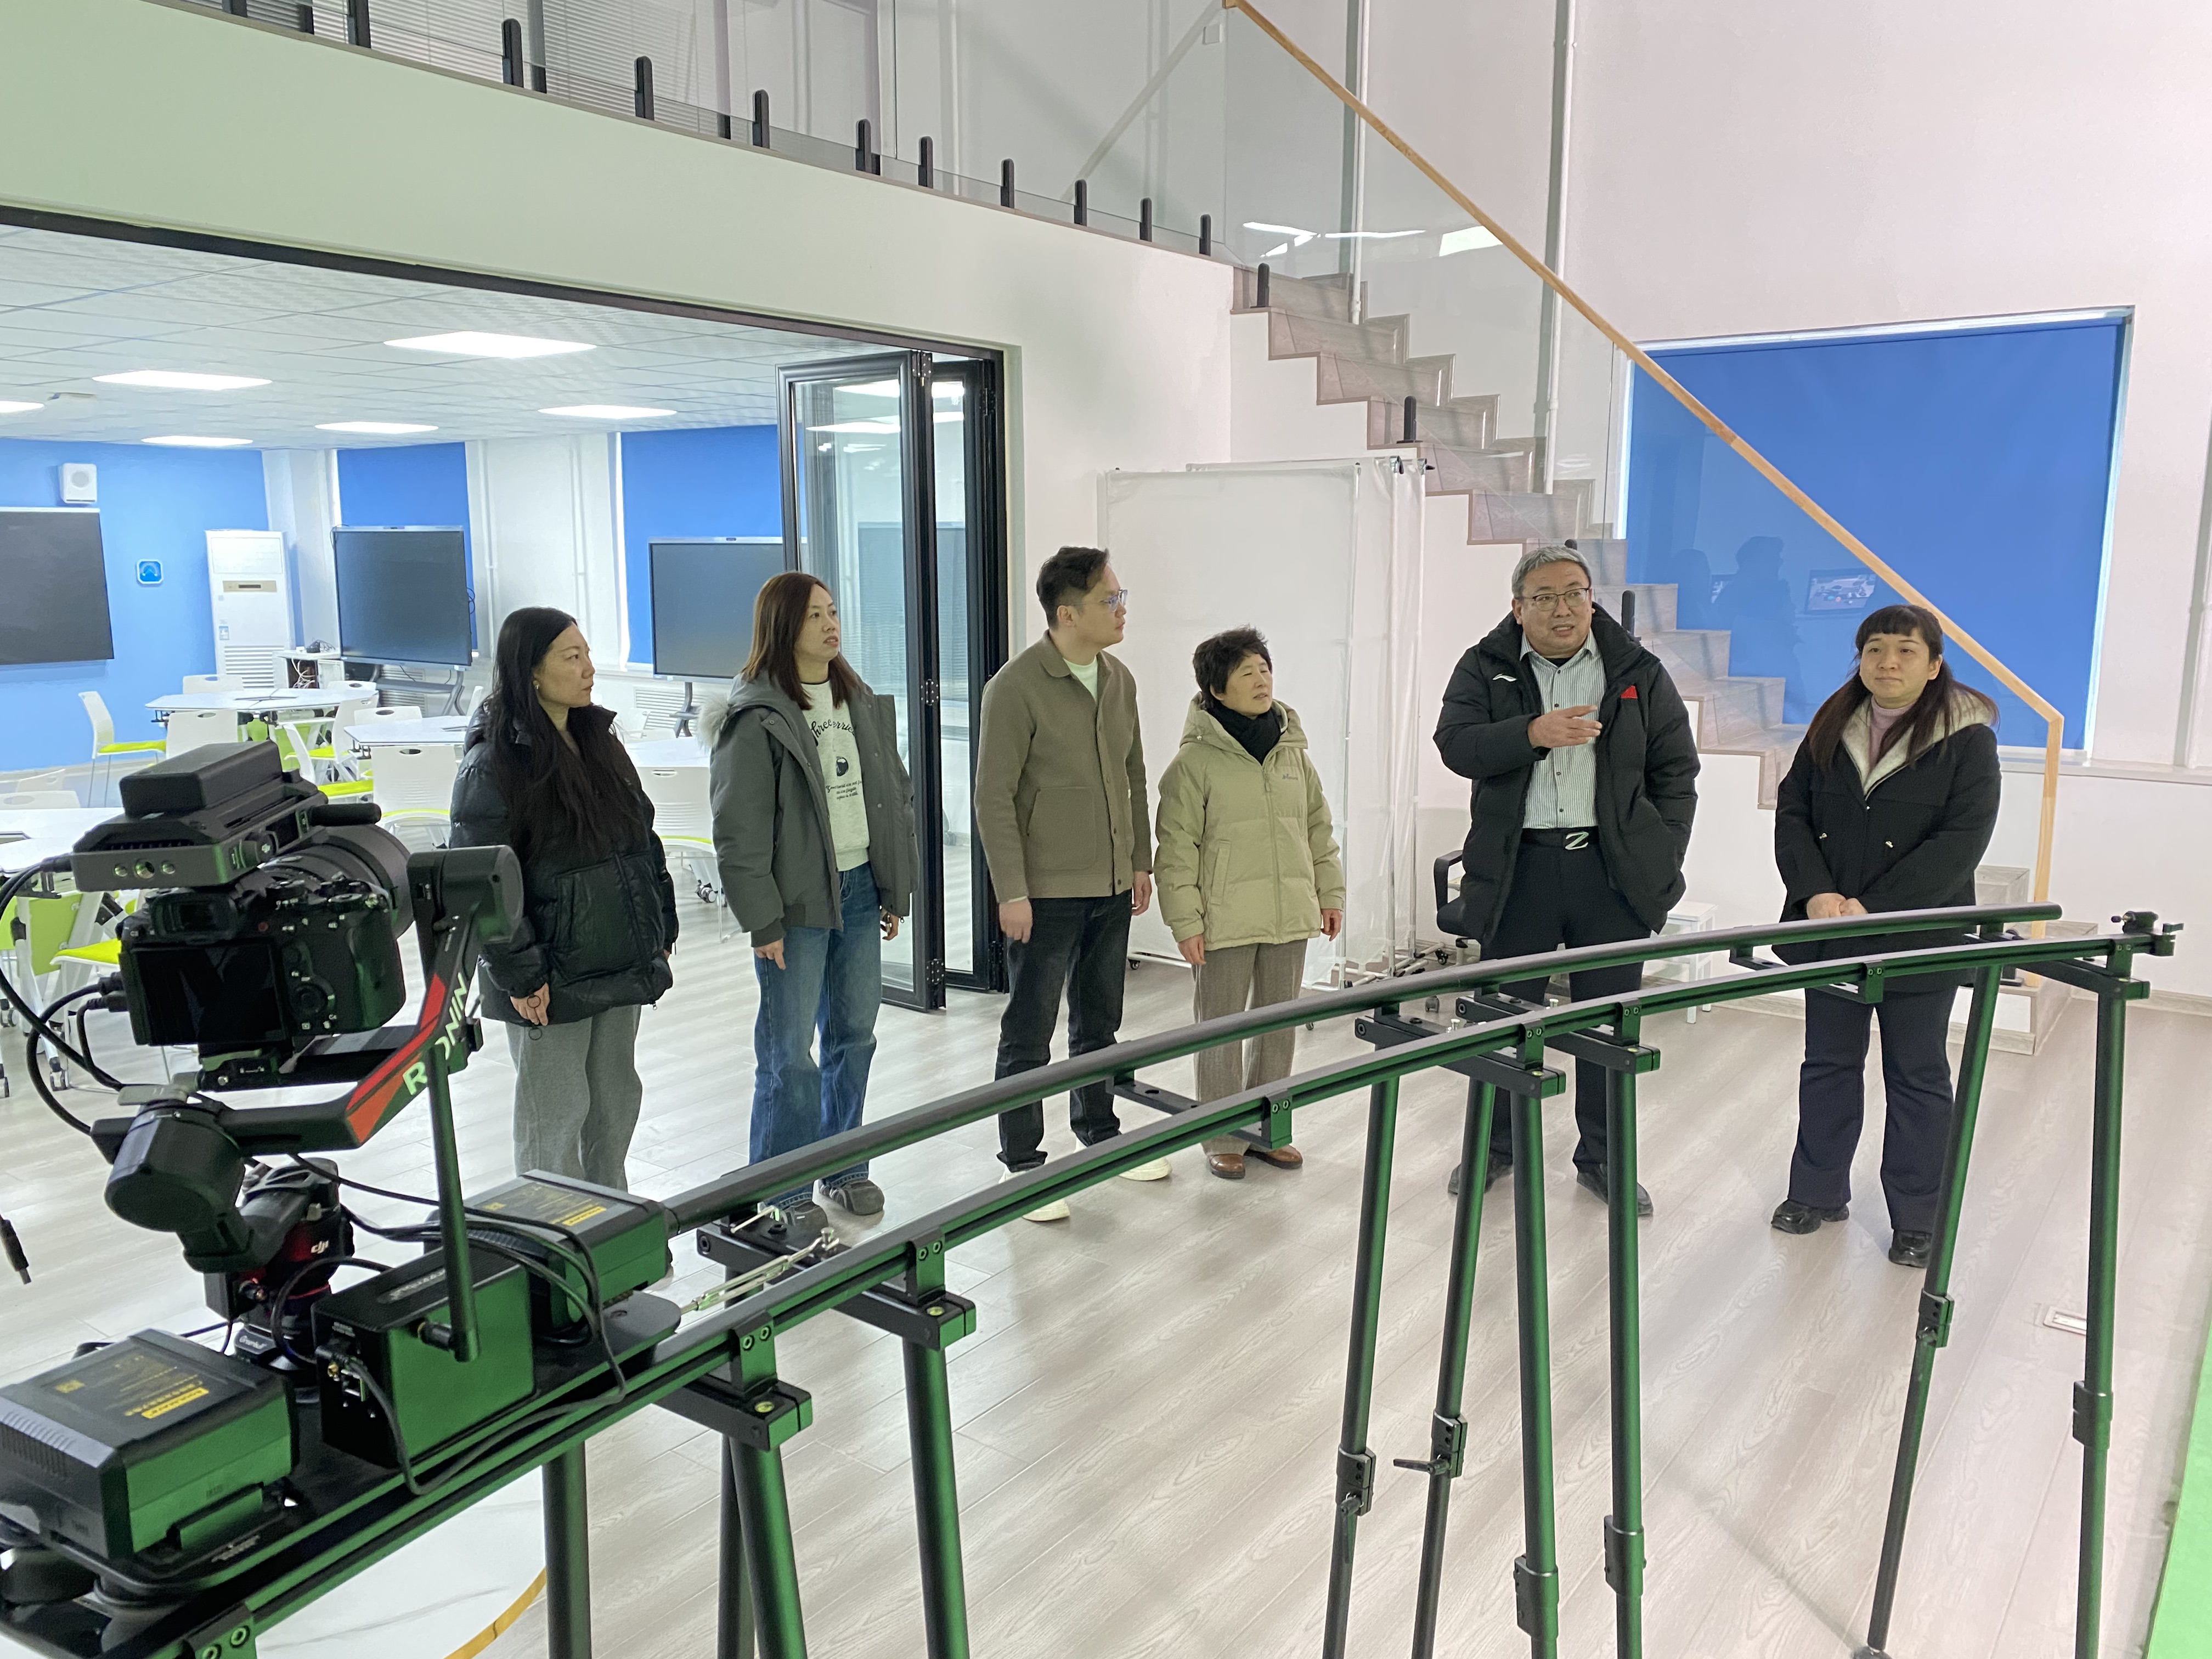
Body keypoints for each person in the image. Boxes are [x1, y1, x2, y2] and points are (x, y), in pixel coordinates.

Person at [1434, 543, 1700, 1216]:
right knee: (1502, 1021)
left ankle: (1605, 1159)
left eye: (1574, 592)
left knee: (1608, 1026)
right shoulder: (1486, 665)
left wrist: (1661, 854)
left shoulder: (1636, 671)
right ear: (1517, 608)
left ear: (1591, 599)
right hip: (1517, 868)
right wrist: (1531, 733)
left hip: (1608, 873)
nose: (1563, 608)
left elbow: (1676, 771)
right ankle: (1495, 1148)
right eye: (1545, 597)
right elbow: (1456, 745)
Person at [1769, 602, 2000, 1268]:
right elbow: (1793, 813)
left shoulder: (1967, 738)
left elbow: (1961, 841)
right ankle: (1816, 1192)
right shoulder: (1831, 725)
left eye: (1905, 650)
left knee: (1918, 1075)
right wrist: (1815, 893)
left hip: (1918, 934)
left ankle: (1918, 1219)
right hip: (1831, 928)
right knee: (1828, 1064)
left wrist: (1875, 905)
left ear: (1933, 665)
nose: (1888, 662)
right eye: (1875, 649)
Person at [708, 573, 916, 1245]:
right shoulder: (757, 716)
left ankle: (843, 1165)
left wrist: (893, 888)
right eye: (815, 617)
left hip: (859, 891)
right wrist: (761, 920)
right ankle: (781, 1190)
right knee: (789, 1054)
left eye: (833, 613)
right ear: (782, 629)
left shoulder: (860, 700)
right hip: (795, 905)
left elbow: (895, 797)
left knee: (854, 1036)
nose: (832, 626)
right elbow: (738, 831)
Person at [450, 606, 677, 1192]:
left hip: (618, 958)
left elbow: (642, 840)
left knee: (614, 1105)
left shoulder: (599, 742)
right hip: (547, 974)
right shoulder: (493, 764)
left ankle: (612, 1223)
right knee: (554, 1118)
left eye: (588, 654)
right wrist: (522, 975)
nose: (589, 669)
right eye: (572, 657)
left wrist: (661, 925)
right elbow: (483, 881)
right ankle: (554, 1236)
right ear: (530, 672)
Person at [974, 545, 1164, 1221]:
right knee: (1030, 1030)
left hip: (1111, 883)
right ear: (1067, 613)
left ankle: (1100, 1134)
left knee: (1100, 1022)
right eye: (1109, 599)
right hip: (1044, 893)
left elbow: (1134, 774)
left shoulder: (1119, 680)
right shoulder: (1015, 687)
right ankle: (1022, 1163)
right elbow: (993, 796)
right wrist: (1011, 890)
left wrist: (1140, 859)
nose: (1121, 609)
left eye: (1120, 597)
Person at [1154, 627, 1344, 1180]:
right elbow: (1176, 849)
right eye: (1247, 672)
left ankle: (1269, 1132)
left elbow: (1318, 829)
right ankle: (1221, 1135)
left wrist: (1329, 893)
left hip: (1289, 912)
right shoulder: (1193, 764)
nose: (1262, 680)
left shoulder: (1292, 754)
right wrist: (1185, 922)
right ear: (1216, 689)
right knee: (1220, 1031)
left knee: (1278, 1028)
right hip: (1224, 919)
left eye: (1265, 669)